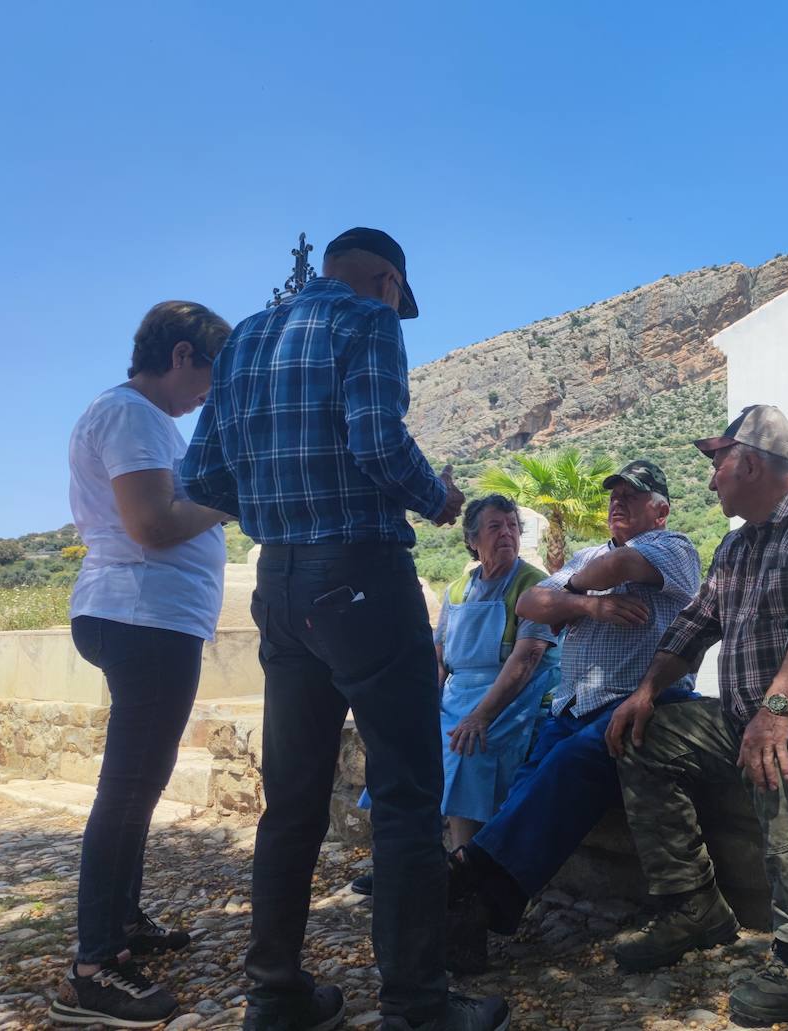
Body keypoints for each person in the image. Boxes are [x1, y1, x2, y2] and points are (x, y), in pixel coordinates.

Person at [181, 228, 508, 1031]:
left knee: (290, 801)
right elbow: (377, 441)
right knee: (405, 794)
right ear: (386, 279)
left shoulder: (248, 339)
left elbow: (201, 475)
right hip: (362, 574)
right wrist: (437, 498)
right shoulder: (368, 322)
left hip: (280, 581)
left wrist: (276, 505)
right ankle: (418, 1006)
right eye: (399, 296)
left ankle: (274, 996)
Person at [606, 405, 788, 1026]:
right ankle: (691, 908)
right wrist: (646, 691)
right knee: (641, 738)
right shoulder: (735, 546)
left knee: (782, 763)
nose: (710, 481)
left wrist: (776, 711)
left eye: (718, 464)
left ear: (752, 463)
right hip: (750, 715)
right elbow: (694, 626)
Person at [50, 301, 233, 1028]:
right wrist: (225, 499)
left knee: (140, 784)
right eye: (208, 376)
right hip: (141, 613)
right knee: (128, 789)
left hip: (147, 615)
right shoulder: (132, 415)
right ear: (182, 354)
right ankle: (91, 969)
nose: (208, 394)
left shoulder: (145, 419)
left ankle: (120, 928)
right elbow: (153, 525)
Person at [444, 460, 701, 972]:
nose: (617, 504)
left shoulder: (674, 548)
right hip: (574, 704)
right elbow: (531, 605)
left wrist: (570, 594)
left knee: (573, 762)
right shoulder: (586, 554)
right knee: (528, 785)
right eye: (614, 495)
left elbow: (620, 569)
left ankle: (464, 871)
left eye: (632, 496)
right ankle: (480, 907)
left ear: (662, 510)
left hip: (640, 700)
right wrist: (591, 608)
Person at [350, 494, 560, 895]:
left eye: (512, 526)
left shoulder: (534, 585)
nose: (507, 533)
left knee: (469, 749)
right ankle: (407, 864)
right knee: (409, 751)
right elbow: (440, 656)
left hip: (512, 699)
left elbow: (526, 660)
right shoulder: (460, 589)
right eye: (495, 526)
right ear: (472, 539)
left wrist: (480, 715)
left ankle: (462, 877)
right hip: (458, 692)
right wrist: (424, 706)